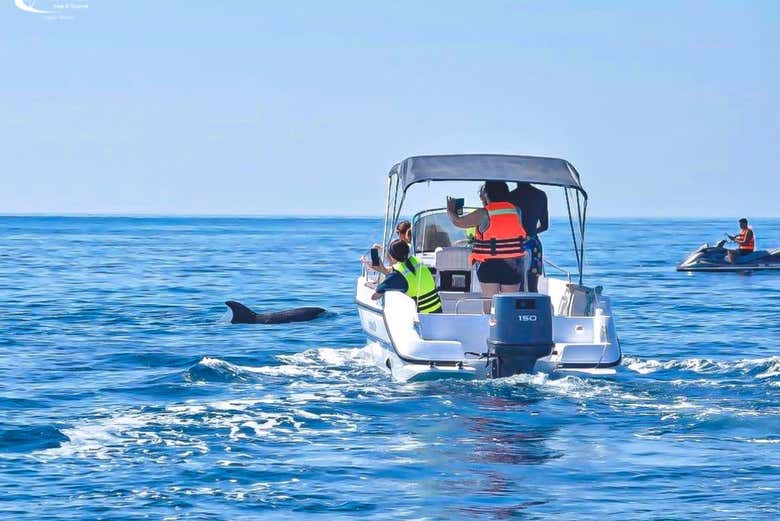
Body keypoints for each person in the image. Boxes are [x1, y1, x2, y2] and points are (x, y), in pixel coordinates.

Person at [446, 181, 527, 311]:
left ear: (486, 195)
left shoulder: (483, 213)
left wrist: (450, 210)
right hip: (514, 263)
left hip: (490, 264)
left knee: (489, 302)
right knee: (509, 303)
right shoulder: (516, 210)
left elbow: (458, 222)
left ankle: (489, 326)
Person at [370, 239, 442, 313]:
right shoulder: (417, 261)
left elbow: (374, 297)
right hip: (439, 311)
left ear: (392, 256)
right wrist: (383, 269)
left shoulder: (397, 276)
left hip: (422, 318)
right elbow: (405, 276)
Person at [508, 182, 548, 292]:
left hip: (514, 244)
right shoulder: (541, 195)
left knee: (515, 286)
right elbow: (545, 226)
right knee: (532, 287)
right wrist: (530, 234)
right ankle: (534, 309)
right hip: (533, 244)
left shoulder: (509, 196)